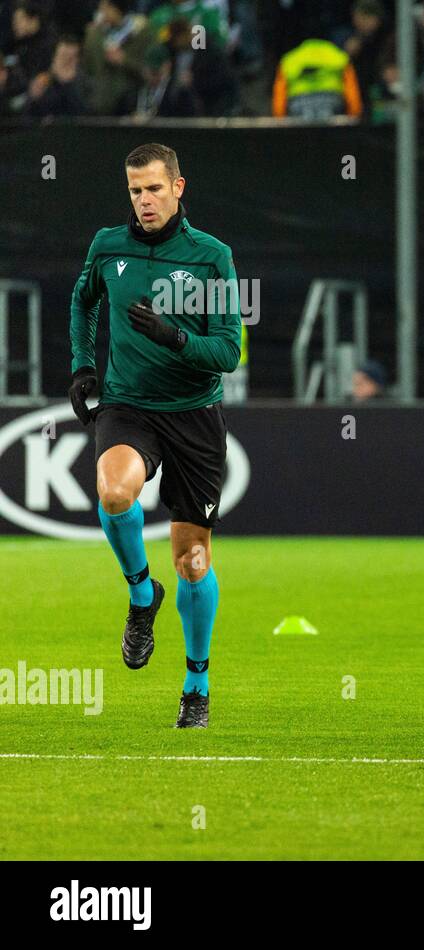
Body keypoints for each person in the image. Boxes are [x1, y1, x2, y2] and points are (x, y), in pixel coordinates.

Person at [69, 143, 242, 729]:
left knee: (193, 560)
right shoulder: (107, 246)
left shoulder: (211, 257)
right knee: (114, 493)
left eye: (153, 189)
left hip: (194, 414)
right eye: (135, 191)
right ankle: (142, 595)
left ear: (178, 187)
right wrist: (81, 365)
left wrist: (174, 337)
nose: (144, 201)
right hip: (128, 406)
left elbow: (228, 352)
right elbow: (81, 302)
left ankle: (197, 684)